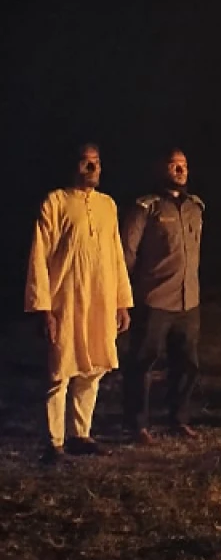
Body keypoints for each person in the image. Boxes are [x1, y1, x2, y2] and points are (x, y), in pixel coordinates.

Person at [25, 143, 132, 463]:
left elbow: (116, 255)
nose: (92, 168)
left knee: (92, 368)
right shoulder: (56, 202)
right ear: (74, 165)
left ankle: (80, 434)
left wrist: (121, 302)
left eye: (96, 162)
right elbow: (39, 257)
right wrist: (44, 308)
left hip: (99, 299)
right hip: (65, 301)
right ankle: (54, 441)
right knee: (60, 370)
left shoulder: (107, 205)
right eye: (86, 162)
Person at [120, 148, 203, 444]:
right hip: (155, 299)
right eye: (173, 165)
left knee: (187, 364)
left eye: (184, 165)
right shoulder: (146, 207)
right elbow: (127, 254)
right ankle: (138, 424)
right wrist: (126, 296)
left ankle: (178, 419)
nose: (180, 171)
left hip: (188, 300)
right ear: (160, 170)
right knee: (143, 362)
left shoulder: (195, 207)